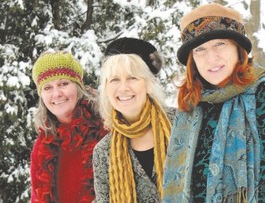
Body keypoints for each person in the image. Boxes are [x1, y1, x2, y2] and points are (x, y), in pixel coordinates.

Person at [162, 3, 265, 203]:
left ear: (239, 50)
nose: (211, 57)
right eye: (200, 49)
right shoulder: (189, 115)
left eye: (220, 44)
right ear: (192, 61)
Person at [92, 37, 172, 203]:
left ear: (149, 83)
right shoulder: (103, 152)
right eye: (114, 80)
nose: (123, 88)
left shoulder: (183, 124)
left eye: (132, 78)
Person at [30, 51, 108, 202]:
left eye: (64, 84)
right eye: (47, 87)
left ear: (78, 87)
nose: (57, 93)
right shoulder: (42, 147)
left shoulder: (106, 129)